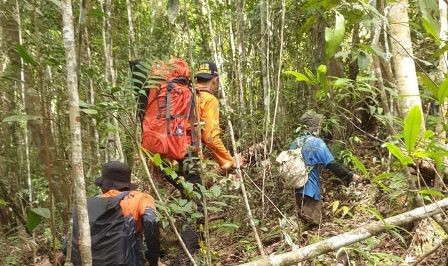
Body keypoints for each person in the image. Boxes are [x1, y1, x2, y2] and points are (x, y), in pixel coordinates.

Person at [64, 161, 160, 266]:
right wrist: (153, 260)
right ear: (127, 184)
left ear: (103, 185)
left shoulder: (84, 206)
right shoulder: (140, 198)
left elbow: (67, 246)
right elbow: (151, 221)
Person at [290, 111, 361, 226]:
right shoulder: (316, 143)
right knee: (313, 228)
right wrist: (350, 176)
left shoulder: (295, 142)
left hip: (297, 190)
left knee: (303, 227)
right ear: (315, 126)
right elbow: (331, 164)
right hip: (311, 192)